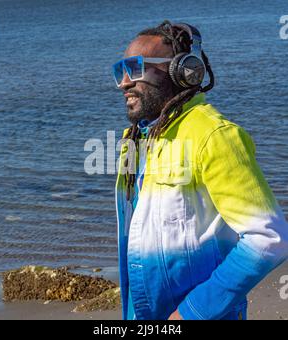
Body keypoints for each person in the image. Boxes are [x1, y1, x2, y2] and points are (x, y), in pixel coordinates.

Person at [113, 20, 288, 320]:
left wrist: (192, 312)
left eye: (135, 68)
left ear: (181, 71)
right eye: (120, 70)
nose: (124, 82)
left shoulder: (214, 135)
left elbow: (269, 238)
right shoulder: (135, 139)